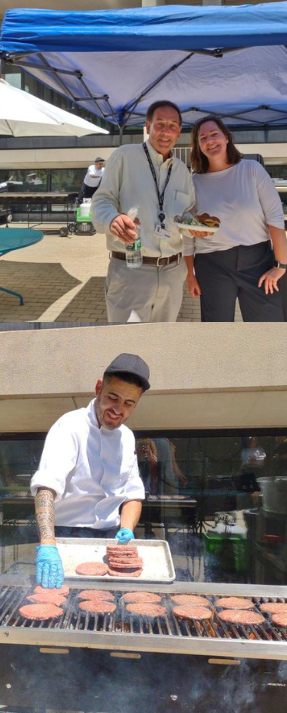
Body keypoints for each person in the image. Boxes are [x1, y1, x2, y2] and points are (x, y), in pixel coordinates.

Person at [30, 353, 149, 588]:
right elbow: (46, 487)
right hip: (65, 535)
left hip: (111, 538)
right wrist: (47, 545)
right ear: (98, 389)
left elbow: (133, 493)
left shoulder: (127, 437)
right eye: (112, 397)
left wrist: (126, 529)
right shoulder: (69, 426)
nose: (118, 409)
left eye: (128, 403)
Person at [92, 100, 198, 323]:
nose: (166, 131)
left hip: (172, 272)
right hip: (131, 269)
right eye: (160, 124)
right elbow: (102, 200)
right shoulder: (124, 156)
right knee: (127, 344)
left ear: (179, 131)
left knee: (162, 342)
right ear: (148, 127)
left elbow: (186, 213)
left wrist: (196, 228)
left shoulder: (182, 170)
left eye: (172, 125)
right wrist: (112, 218)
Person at [183, 116, 287, 322]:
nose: (209, 141)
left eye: (214, 134)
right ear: (197, 146)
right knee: (217, 331)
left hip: (257, 261)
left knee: (269, 326)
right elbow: (188, 232)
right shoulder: (193, 182)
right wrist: (190, 273)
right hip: (211, 264)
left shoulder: (251, 170)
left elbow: (275, 218)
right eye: (202, 138)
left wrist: (280, 266)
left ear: (227, 138)